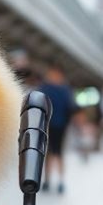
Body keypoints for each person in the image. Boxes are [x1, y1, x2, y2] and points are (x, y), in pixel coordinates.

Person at [37, 62, 78, 192]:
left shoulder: (65, 90)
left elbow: (70, 107)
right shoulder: (45, 88)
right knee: (47, 153)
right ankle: (47, 180)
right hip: (46, 126)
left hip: (61, 126)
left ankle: (61, 180)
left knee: (59, 153)